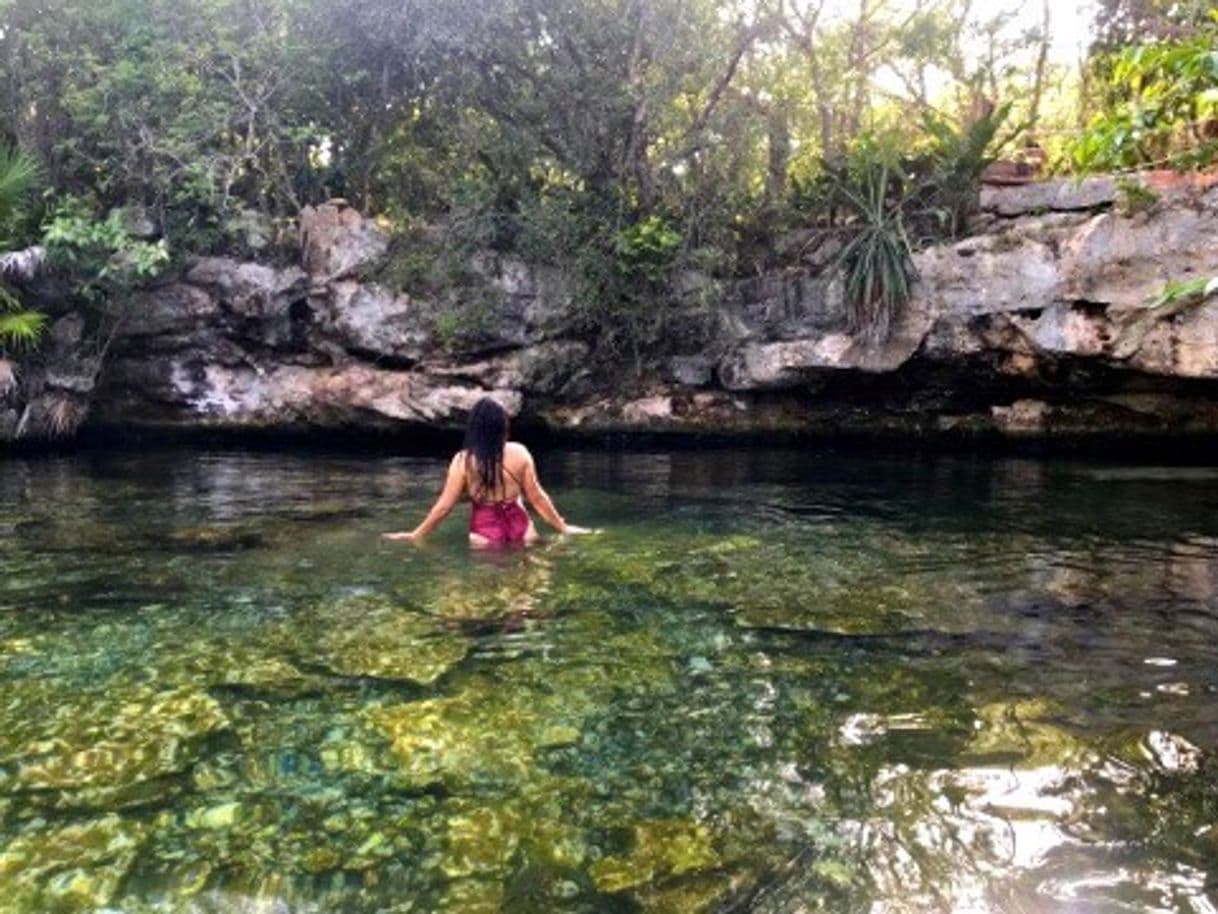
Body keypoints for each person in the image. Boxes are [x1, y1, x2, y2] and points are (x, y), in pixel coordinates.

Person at [383, 397, 590, 547]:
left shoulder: (463, 461)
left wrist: (416, 534)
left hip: (484, 533)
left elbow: (444, 507)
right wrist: (563, 528)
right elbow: (537, 498)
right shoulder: (520, 452)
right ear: (503, 426)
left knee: (489, 588)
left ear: (474, 428)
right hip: (522, 527)